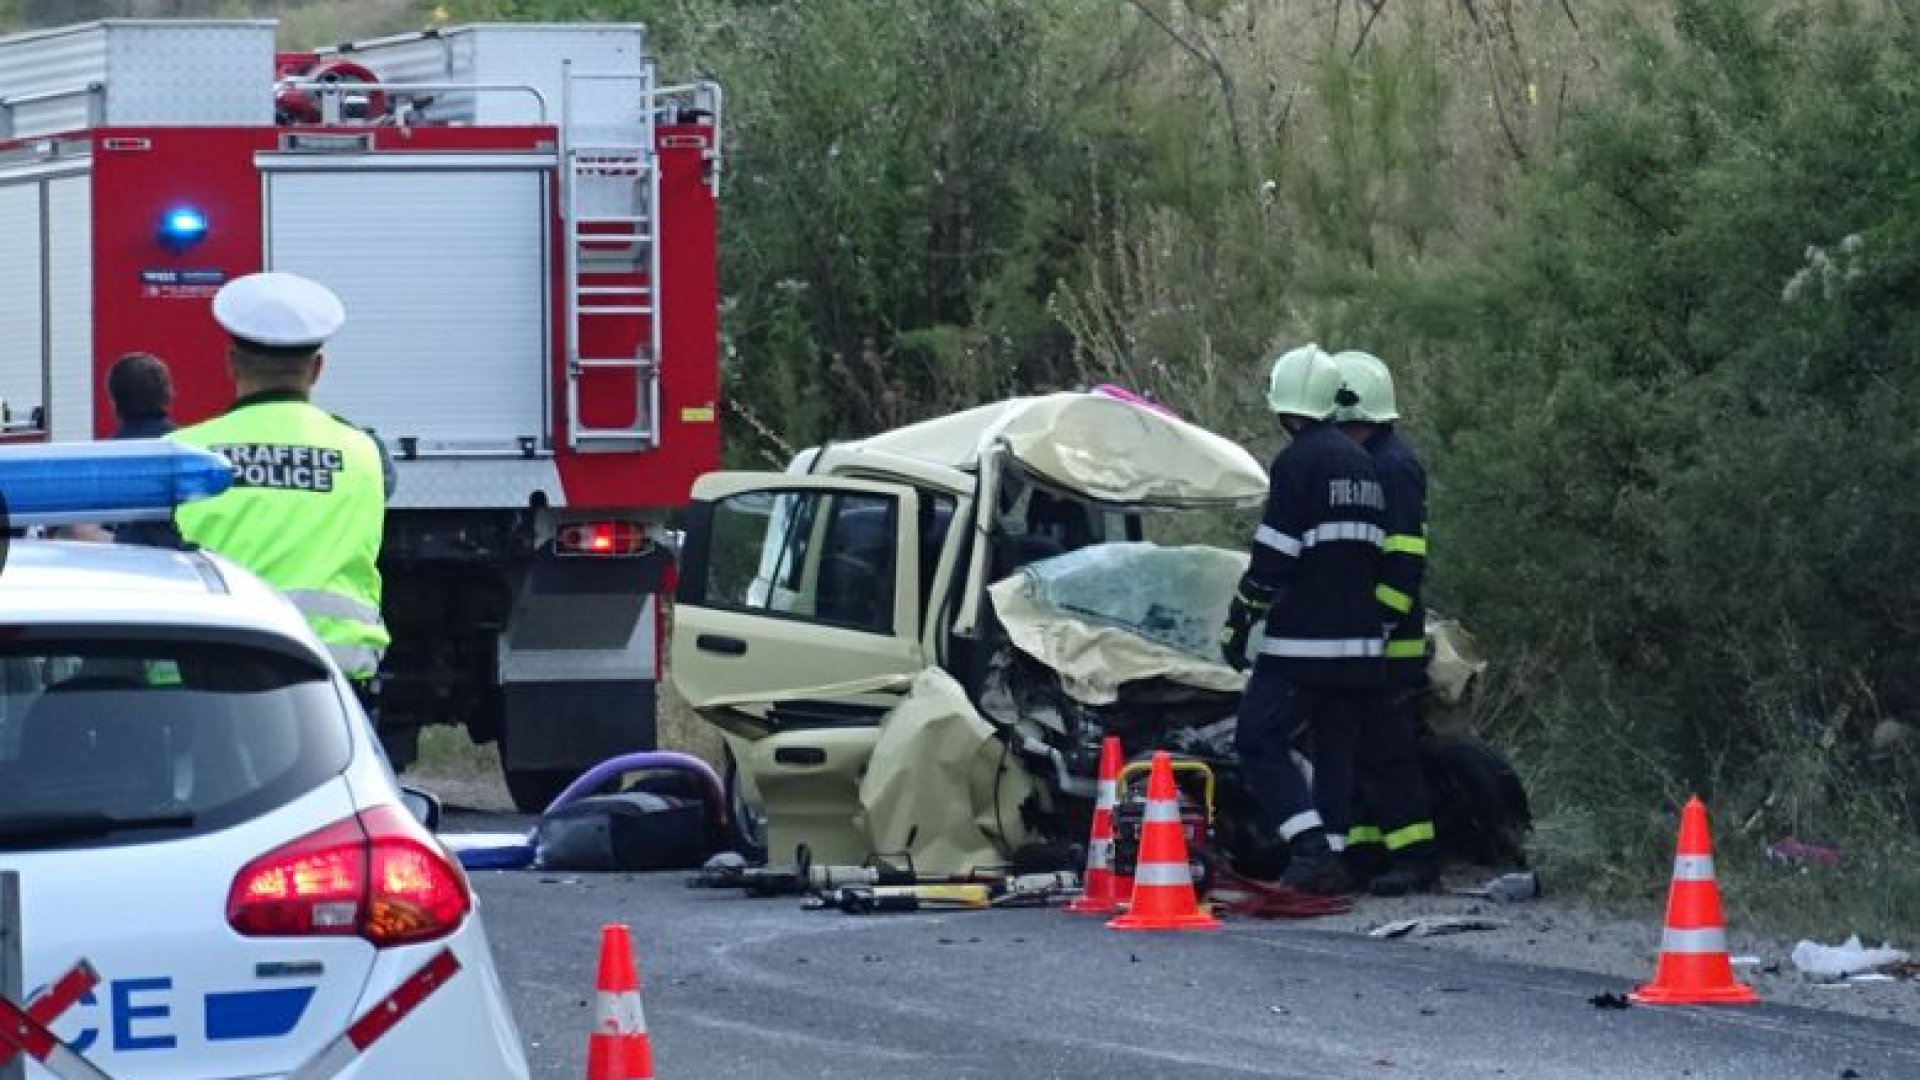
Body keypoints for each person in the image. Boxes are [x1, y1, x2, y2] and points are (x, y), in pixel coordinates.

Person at [165, 271, 391, 711]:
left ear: (231, 362)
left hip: (211, 669)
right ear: (318, 369)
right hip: (332, 676)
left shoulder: (181, 452)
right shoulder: (365, 453)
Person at [1219, 342, 1389, 895]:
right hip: (1360, 647)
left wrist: (1241, 618)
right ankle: (1332, 859)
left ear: (1284, 406)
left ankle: (1310, 848)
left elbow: (1274, 556)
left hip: (1302, 644)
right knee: (1334, 748)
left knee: (1256, 739)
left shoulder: (1297, 463)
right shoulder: (1363, 463)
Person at [1329, 349, 1442, 896]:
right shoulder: (1373, 461)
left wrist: (1380, 622)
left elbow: (1403, 556)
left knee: (1390, 751)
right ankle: (1368, 849)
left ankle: (1416, 856)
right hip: (1368, 635)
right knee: (1360, 748)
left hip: (1387, 641)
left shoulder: (1392, 467)